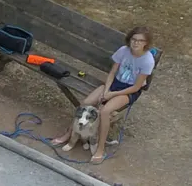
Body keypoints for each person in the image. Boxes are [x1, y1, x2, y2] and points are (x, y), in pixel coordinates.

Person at [53, 26, 156, 163]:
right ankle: (69, 134)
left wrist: (112, 94)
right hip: (114, 84)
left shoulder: (147, 60)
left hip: (128, 91)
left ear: (146, 44)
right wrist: (107, 90)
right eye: (134, 39)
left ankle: (100, 148)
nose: (136, 43)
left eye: (140, 41)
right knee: (86, 103)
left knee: (105, 111)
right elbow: (112, 73)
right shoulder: (123, 51)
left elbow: (137, 87)